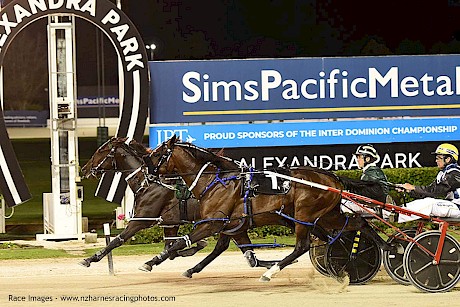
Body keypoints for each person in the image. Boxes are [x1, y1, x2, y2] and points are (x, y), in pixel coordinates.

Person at [396, 143, 460, 222]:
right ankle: (396, 210)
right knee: (426, 200)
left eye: (438, 158)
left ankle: (397, 214)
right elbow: (429, 191)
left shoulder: (455, 173)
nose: (436, 161)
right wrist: (410, 191)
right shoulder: (443, 173)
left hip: (457, 207)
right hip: (453, 205)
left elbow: (436, 192)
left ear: (448, 159)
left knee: (429, 203)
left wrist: (413, 187)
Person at [341, 144, 390, 215]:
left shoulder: (372, 172)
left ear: (367, 159)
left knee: (341, 205)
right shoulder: (370, 171)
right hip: (371, 205)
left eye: (359, 157)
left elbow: (371, 192)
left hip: (373, 208)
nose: (357, 160)